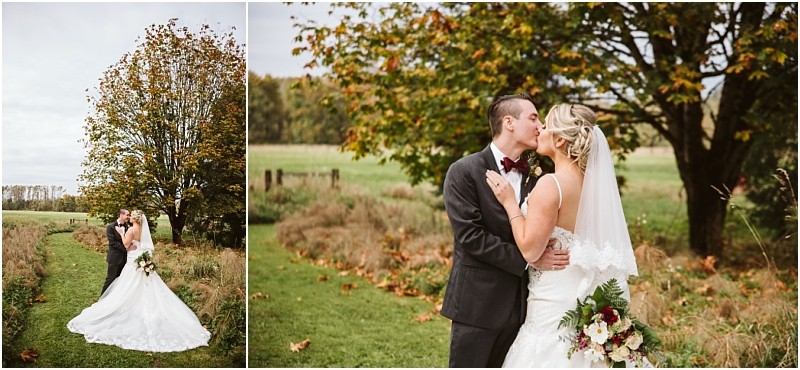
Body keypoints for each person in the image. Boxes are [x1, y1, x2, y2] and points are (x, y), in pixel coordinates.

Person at [484, 103, 639, 367]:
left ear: (558, 139)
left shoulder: (550, 184)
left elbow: (531, 251)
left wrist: (510, 202)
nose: (539, 129)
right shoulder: (595, 188)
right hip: (581, 295)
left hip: (552, 302)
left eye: (545, 125)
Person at [442, 94, 571, 367]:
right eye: (533, 118)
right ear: (509, 122)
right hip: (477, 304)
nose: (539, 126)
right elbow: (471, 238)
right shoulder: (464, 171)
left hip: (525, 310)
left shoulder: (538, 175)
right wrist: (529, 258)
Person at [68, 210, 211, 352]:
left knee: (127, 286)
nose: (129, 218)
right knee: (144, 286)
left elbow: (125, 244)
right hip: (140, 261)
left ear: (135, 219)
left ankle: (124, 307)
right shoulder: (143, 230)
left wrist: (121, 233)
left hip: (132, 263)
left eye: (131, 216)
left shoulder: (130, 229)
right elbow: (146, 247)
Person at [101, 208, 130, 295]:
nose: (128, 217)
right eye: (127, 215)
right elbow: (113, 243)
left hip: (125, 259)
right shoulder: (111, 227)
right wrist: (126, 249)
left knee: (120, 280)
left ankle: (114, 298)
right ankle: (102, 298)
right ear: (121, 215)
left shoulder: (128, 227)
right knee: (110, 279)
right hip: (114, 258)